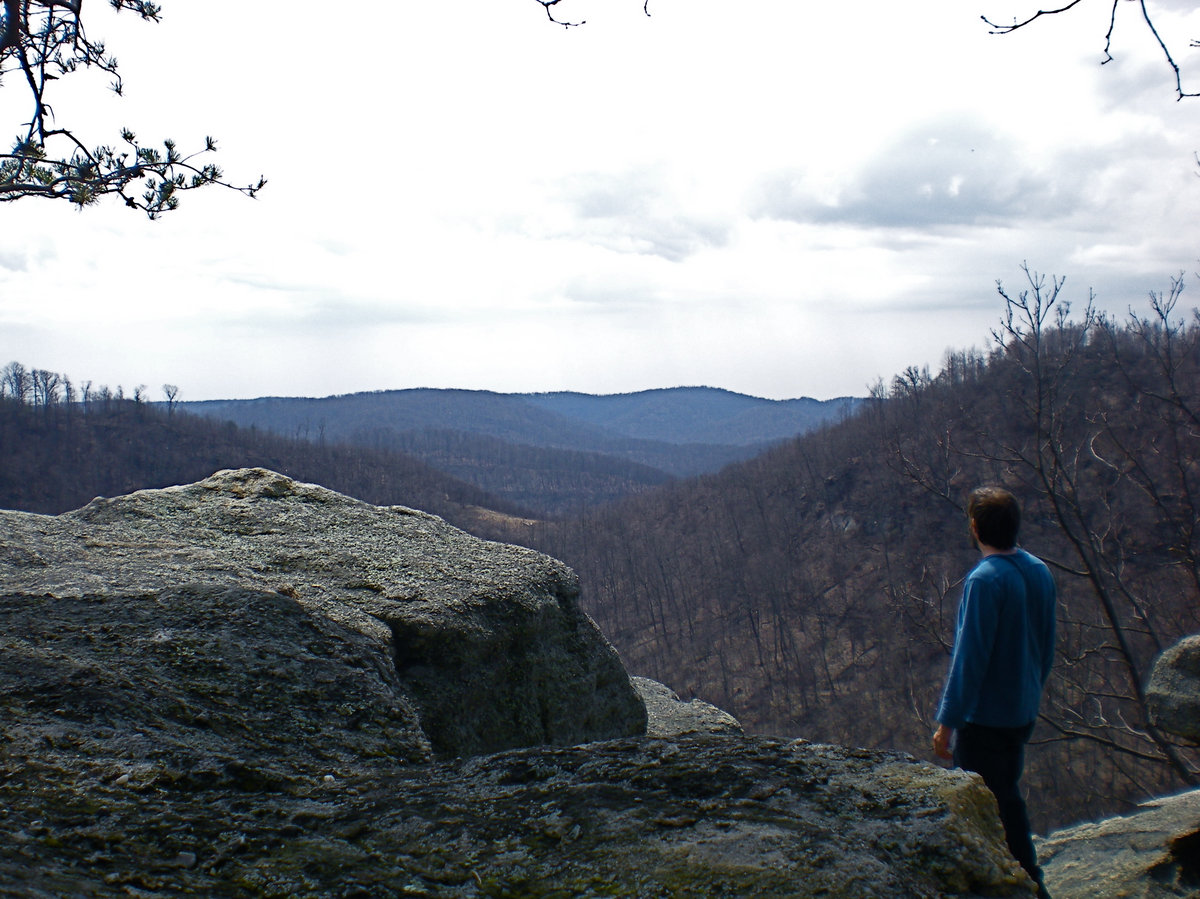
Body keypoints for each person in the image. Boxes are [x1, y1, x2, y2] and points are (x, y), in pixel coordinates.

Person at [932, 486, 1056, 899]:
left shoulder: (985, 581)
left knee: (992, 804)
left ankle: (1025, 882)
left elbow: (970, 660)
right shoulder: (1039, 571)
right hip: (1022, 710)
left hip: (986, 717)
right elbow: (1046, 644)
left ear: (974, 527)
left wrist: (947, 723)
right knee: (1006, 790)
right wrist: (1032, 690)